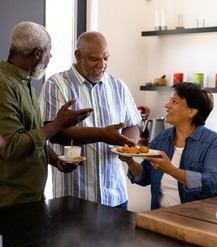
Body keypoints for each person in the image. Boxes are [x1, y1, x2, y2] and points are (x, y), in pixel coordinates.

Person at [0, 22, 93, 211]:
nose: (50, 56)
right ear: (37, 54)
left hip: (27, 199)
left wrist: (55, 159)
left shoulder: (22, 83)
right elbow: (12, 146)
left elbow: (31, 135)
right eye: (49, 51)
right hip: (3, 202)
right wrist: (58, 124)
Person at [39, 31, 141, 210]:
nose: (102, 65)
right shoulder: (56, 85)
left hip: (115, 195)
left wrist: (128, 142)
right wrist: (102, 135)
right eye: (95, 59)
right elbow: (54, 134)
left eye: (106, 58)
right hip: (74, 197)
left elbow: (133, 124)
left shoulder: (118, 86)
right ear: (78, 55)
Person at [119, 82, 217, 210]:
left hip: (198, 219)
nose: (166, 105)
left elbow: (211, 183)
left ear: (191, 111)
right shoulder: (161, 139)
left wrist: (171, 169)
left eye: (174, 102)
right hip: (161, 218)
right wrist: (130, 161)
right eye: (169, 100)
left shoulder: (213, 142)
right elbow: (144, 177)